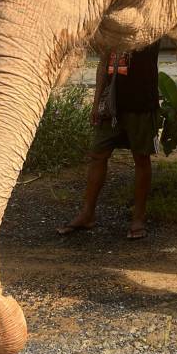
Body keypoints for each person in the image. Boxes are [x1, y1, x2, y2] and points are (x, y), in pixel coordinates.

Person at [58, 42, 161, 239]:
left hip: (141, 104)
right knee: (97, 155)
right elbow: (103, 63)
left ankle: (138, 219)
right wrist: (97, 103)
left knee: (141, 159)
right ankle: (87, 214)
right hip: (112, 104)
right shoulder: (113, 29)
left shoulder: (152, 28)